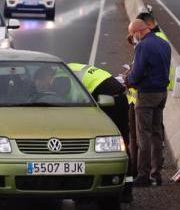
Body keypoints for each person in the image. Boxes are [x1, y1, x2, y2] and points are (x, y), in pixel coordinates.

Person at [126, 19, 171, 186]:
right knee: (157, 133)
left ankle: (143, 175)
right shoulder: (164, 44)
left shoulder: (142, 46)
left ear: (138, 32)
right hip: (161, 93)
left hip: (146, 95)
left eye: (133, 34)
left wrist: (128, 79)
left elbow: (136, 74)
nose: (133, 37)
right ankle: (156, 173)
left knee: (143, 135)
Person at [68, 62, 130, 145]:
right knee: (122, 133)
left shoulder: (62, 76)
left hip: (108, 98)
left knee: (105, 135)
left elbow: (72, 101)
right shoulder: (71, 66)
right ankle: (126, 155)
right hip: (120, 93)